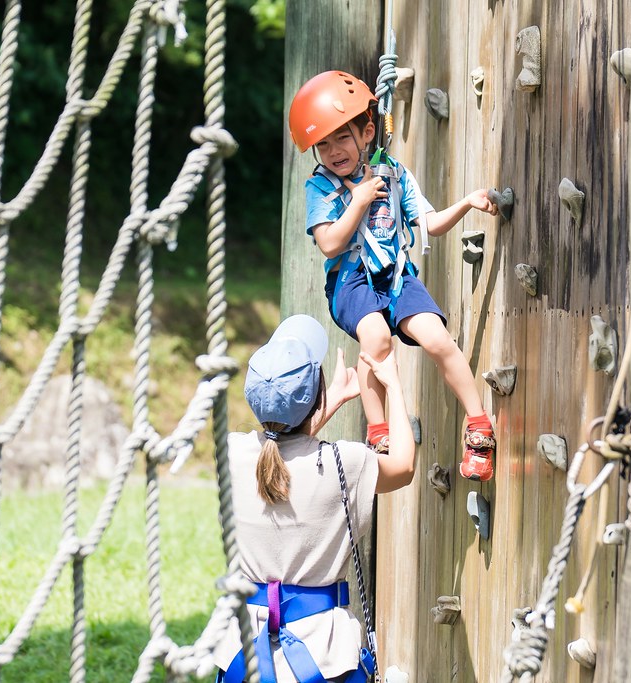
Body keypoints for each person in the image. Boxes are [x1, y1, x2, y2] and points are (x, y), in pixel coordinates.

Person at [287, 70, 500, 483]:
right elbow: (329, 244)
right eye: (323, 144)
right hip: (350, 283)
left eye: (342, 138)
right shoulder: (319, 187)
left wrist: (468, 203)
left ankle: (478, 426)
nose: (333, 151)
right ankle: (379, 434)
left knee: (437, 337)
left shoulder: (394, 173)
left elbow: (430, 223)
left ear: (367, 132)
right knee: (377, 338)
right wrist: (360, 198)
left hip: (396, 277)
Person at [213, 314, 416, 683]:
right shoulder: (347, 462)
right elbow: (402, 466)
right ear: (316, 397)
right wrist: (394, 384)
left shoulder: (229, 454)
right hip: (325, 655)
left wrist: (327, 402)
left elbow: (279, 455)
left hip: (244, 654)